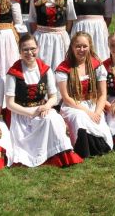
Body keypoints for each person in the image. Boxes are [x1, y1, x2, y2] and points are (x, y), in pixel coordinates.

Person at [6, 34, 82, 167]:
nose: (29, 53)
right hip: (22, 114)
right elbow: (9, 103)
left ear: (38, 48)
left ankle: (59, 155)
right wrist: (29, 113)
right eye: (25, 50)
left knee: (52, 119)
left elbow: (54, 97)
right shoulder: (13, 73)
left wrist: (46, 106)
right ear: (20, 52)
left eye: (32, 49)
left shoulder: (45, 70)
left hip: (42, 109)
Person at [56, 32, 113, 158]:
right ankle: (83, 150)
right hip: (73, 106)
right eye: (78, 46)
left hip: (93, 104)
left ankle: (98, 147)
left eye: (84, 46)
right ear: (72, 47)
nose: (81, 50)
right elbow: (66, 97)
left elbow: (103, 94)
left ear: (90, 47)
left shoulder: (97, 66)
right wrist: (88, 113)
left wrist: (97, 112)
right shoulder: (64, 68)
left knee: (98, 125)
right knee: (79, 117)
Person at [28, 0, 76, 72]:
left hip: (60, 38)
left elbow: (70, 21)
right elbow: (32, 20)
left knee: (60, 67)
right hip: (41, 38)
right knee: (41, 67)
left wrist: (62, 33)